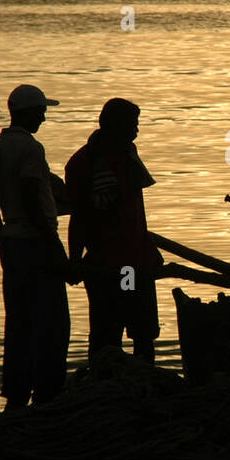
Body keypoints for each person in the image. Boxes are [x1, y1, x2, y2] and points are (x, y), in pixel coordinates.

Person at [0, 84, 71, 410]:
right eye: (42, 111)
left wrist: (1, 240)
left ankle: (17, 394)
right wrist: (55, 248)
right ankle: (48, 395)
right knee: (53, 322)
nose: (45, 117)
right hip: (36, 243)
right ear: (30, 112)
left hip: (12, 242)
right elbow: (34, 200)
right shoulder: (31, 149)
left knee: (19, 321)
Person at [65, 98, 162, 364]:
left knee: (143, 333)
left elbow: (133, 215)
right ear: (116, 127)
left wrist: (149, 248)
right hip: (107, 265)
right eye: (133, 125)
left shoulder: (127, 155)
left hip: (137, 260)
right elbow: (80, 217)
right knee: (107, 337)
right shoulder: (84, 164)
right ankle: (105, 391)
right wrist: (74, 260)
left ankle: (143, 389)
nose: (136, 131)